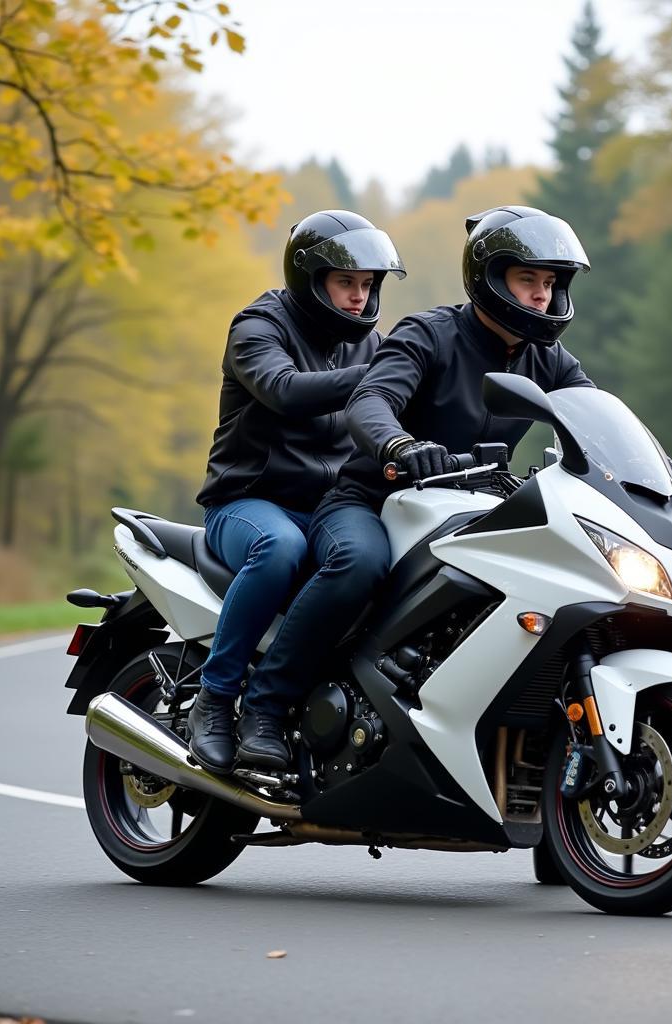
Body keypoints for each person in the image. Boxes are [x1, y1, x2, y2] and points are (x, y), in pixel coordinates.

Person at [233, 205, 592, 766]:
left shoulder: (547, 360)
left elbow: (595, 413)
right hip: (373, 502)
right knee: (358, 564)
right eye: (529, 279)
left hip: (470, 511)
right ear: (491, 278)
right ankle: (264, 709)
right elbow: (372, 402)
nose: (543, 295)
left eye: (550, 283)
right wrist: (399, 446)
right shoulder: (431, 334)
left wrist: (653, 472)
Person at [188, 210, 406, 774]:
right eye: (345, 283)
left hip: (333, 505)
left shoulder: (369, 344)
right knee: (279, 547)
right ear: (312, 279)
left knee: (382, 559)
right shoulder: (258, 327)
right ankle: (217, 699)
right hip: (246, 501)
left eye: (367, 285)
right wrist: (381, 378)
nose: (359, 298)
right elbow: (283, 390)